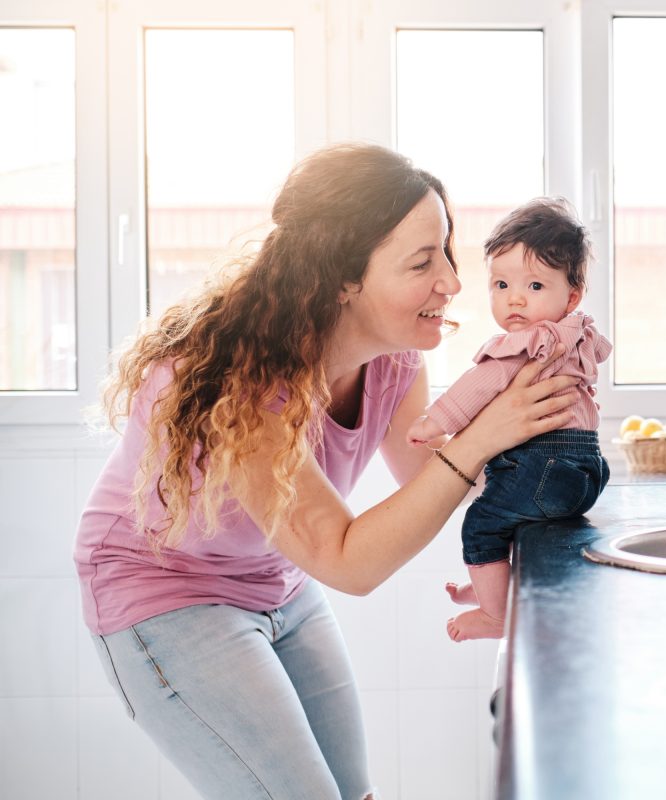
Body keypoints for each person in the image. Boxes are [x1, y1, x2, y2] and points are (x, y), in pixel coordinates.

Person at [73, 143, 579, 800]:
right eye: (423, 262)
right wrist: (485, 434)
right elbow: (348, 561)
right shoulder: (242, 383)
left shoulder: (395, 361)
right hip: (163, 591)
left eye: (448, 250)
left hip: (273, 580)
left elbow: (440, 479)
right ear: (342, 279)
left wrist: (556, 472)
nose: (453, 282)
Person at [406, 198, 612, 642]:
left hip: (544, 466)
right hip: (587, 471)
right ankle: (492, 589)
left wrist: (434, 423)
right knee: (518, 521)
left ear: (571, 296)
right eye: (501, 284)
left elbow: (478, 385)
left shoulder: (526, 343)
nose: (514, 298)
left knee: (481, 524)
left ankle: (496, 615)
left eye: (535, 286)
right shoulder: (577, 337)